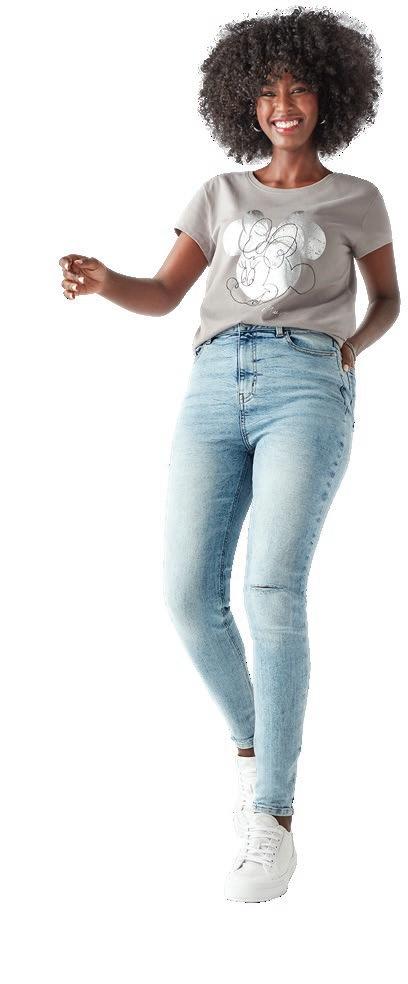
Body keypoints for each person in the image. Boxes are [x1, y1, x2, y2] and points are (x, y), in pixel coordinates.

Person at [59, 7, 400, 904]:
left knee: (271, 588)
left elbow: (388, 298)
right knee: (185, 594)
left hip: (306, 385)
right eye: (268, 92)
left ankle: (273, 820)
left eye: (300, 88)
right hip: (213, 384)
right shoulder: (217, 193)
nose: (284, 105)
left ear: (329, 99)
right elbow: (163, 293)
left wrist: (352, 348)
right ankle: (257, 749)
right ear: (247, 105)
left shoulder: (358, 198)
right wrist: (107, 283)